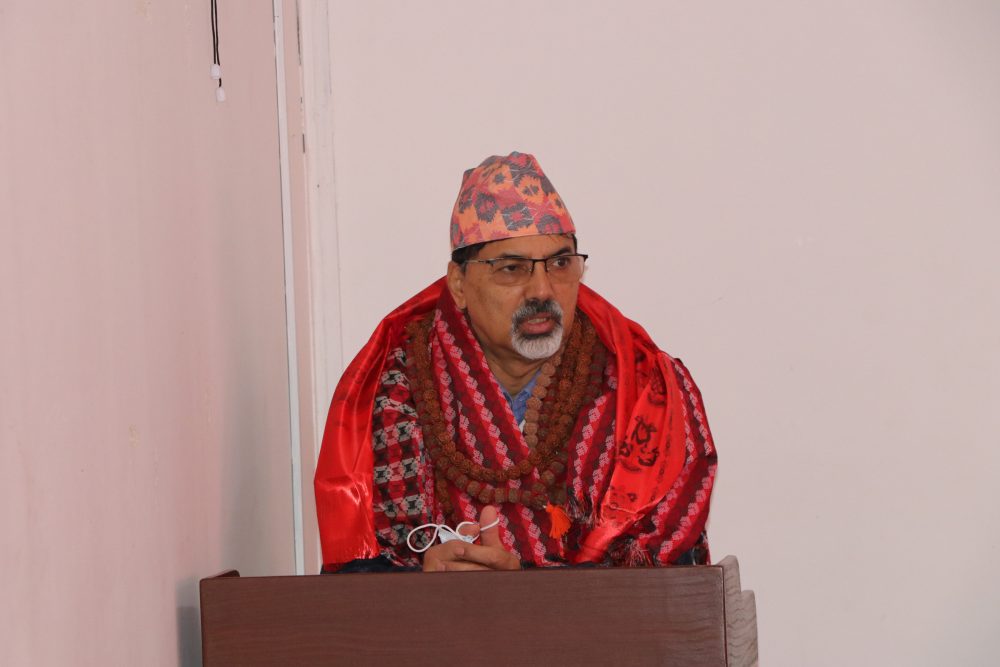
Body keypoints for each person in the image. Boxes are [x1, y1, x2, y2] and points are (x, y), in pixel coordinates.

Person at [314, 152, 717, 573]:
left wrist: (522, 592)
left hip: (606, 616)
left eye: (560, 264)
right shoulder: (396, 390)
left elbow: (671, 574)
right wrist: (426, 579)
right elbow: (357, 577)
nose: (542, 290)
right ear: (459, 284)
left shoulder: (644, 389)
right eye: (512, 268)